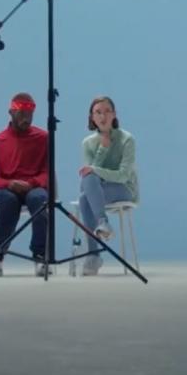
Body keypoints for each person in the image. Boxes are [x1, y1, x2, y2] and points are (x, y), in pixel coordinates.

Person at [0, 92, 52, 277]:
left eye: (30, 113)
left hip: (34, 187)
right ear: (11, 112)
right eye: (21, 113)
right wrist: (11, 183)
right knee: (7, 201)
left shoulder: (43, 138)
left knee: (40, 200)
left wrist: (31, 183)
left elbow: (47, 173)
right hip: (8, 188)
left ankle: (40, 256)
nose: (26, 117)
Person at [76, 96, 138, 276]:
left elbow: (123, 175)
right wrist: (102, 149)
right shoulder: (87, 143)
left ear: (114, 115)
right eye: (98, 112)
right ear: (92, 117)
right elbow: (89, 177)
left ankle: (94, 254)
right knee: (85, 191)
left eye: (107, 111)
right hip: (97, 191)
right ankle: (103, 224)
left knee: (86, 192)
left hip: (123, 189)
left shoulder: (127, 139)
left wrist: (95, 170)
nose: (103, 116)